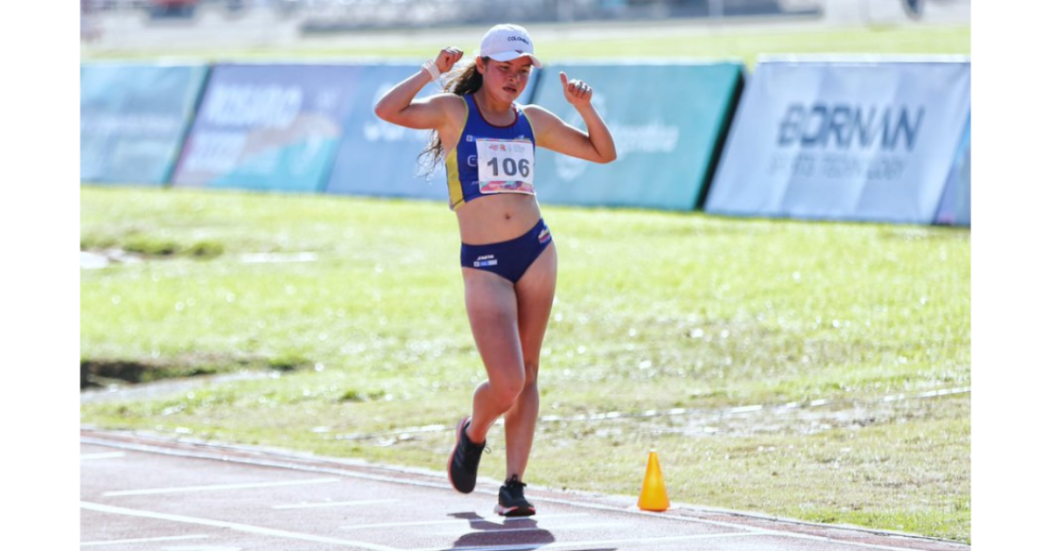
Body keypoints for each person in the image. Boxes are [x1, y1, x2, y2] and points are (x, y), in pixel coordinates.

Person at [374, 23, 616, 517]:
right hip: (484, 263)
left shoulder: (533, 119)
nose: (513, 79)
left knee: (528, 374)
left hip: (536, 251)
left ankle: (514, 485)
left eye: (523, 71)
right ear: (481, 67)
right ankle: (473, 432)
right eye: (504, 68)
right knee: (505, 381)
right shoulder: (454, 111)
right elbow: (387, 110)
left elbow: (602, 153)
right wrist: (430, 71)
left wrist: (584, 108)